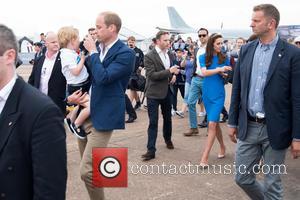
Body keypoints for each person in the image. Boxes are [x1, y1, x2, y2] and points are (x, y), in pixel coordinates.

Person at [228, 4, 300, 199]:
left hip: (275, 129)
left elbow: (297, 99)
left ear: (271, 24)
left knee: (272, 183)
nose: (251, 24)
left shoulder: (293, 54)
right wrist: (232, 121)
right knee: (242, 178)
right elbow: (237, 89)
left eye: (256, 21)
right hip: (248, 125)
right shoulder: (246, 50)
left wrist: (297, 137)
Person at [0, 24, 67, 199]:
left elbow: (49, 191)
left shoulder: (43, 113)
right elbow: (34, 79)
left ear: (9, 56)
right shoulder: (40, 59)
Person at [78, 12, 134, 200]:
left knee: (86, 171)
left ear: (112, 28)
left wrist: (93, 52)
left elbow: (103, 78)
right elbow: (89, 78)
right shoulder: (98, 48)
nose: (95, 30)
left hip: (105, 115)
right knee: (92, 171)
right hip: (86, 111)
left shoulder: (126, 53)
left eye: (99, 27)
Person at [142, 31, 180, 161]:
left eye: (168, 40)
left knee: (168, 119)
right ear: (157, 41)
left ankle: (168, 139)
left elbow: (172, 69)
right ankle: (150, 150)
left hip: (167, 91)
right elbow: (152, 75)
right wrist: (169, 71)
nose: (168, 42)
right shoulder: (149, 56)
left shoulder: (169, 54)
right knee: (153, 122)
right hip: (153, 93)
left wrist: (173, 75)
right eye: (165, 40)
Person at [198, 33, 232, 167]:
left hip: (218, 94)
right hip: (207, 92)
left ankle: (204, 157)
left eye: (222, 43)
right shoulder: (203, 57)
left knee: (211, 124)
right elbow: (204, 73)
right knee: (215, 123)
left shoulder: (225, 57)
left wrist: (224, 73)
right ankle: (223, 146)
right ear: (212, 44)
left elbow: (226, 75)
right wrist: (219, 69)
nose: (221, 45)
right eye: (218, 43)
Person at [58, 26, 91, 139]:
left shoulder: (70, 53)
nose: (79, 41)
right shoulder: (66, 55)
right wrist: (82, 59)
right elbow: (76, 71)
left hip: (81, 85)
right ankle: (76, 124)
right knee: (91, 106)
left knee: (81, 104)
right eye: (77, 39)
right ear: (72, 40)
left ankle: (69, 119)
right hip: (78, 87)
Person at [28, 32, 67, 114]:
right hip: (38, 103)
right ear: (46, 44)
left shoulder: (64, 59)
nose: (56, 44)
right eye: (53, 42)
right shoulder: (39, 60)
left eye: (57, 42)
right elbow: (32, 80)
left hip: (57, 105)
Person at [183, 28, 208, 136]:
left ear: (207, 35)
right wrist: (193, 74)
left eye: (204, 35)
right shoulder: (197, 49)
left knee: (209, 104)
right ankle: (194, 128)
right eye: (200, 35)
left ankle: (210, 129)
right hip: (196, 78)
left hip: (207, 79)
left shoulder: (212, 49)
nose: (202, 37)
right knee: (190, 103)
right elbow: (195, 64)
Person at [127, 36, 144, 110]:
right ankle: (138, 103)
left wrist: (141, 66)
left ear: (135, 42)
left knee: (132, 88)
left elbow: (144, 60)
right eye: (130, 42)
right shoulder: (125, 50)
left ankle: (129, 106)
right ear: (127, 42)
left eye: (132, 42)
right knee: (133, 89)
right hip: (127, 73)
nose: (131, 43)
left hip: (136, 73)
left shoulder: (139, 51)